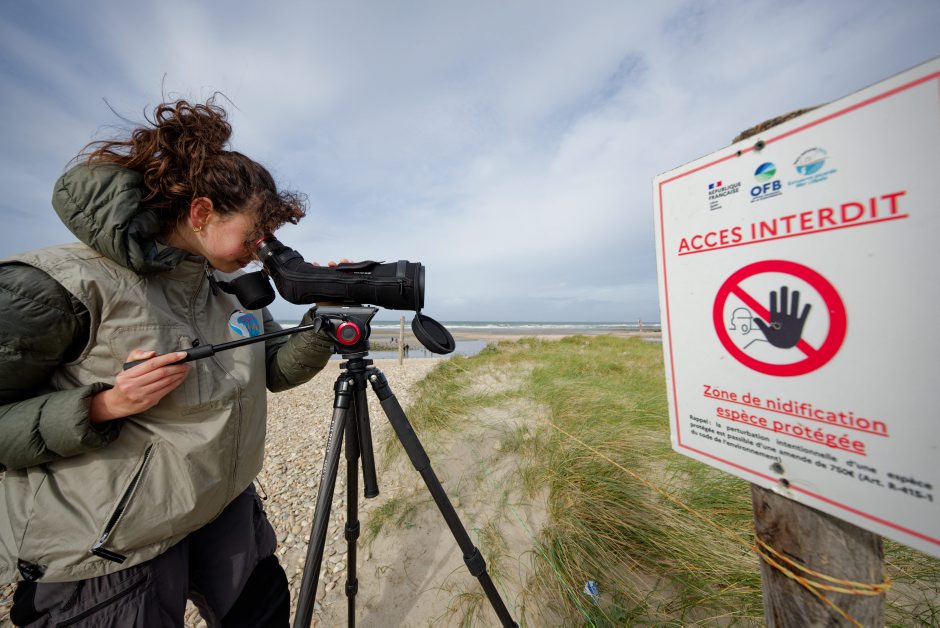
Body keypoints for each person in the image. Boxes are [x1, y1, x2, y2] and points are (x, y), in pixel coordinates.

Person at [0, 98, 336, 626]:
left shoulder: (229, 285)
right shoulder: (54, 286)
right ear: (201, 213)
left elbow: (271, 368)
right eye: (253, 235)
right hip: (109, 544)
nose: (260, 251)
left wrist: (324, 323)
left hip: (222, 507)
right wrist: (103, 405)